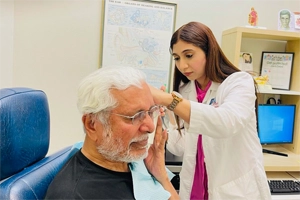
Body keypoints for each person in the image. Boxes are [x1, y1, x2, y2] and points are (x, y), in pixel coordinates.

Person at [149, 22, 271, 200]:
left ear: (209, 51)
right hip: (195, 188)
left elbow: (226, 123)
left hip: (234, 191)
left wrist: (170, 101)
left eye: (188, 55)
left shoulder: (238, 82)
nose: (182, 65)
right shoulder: (185, 91)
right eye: (176, 58)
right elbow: (180, 148)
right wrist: (169, 117)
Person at [44, 66, 179, 200]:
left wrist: (162, 177)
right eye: (136, 116)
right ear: (92, 125)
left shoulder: (133, 163)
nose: (150, 127)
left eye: (150, 111)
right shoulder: (73, 195)